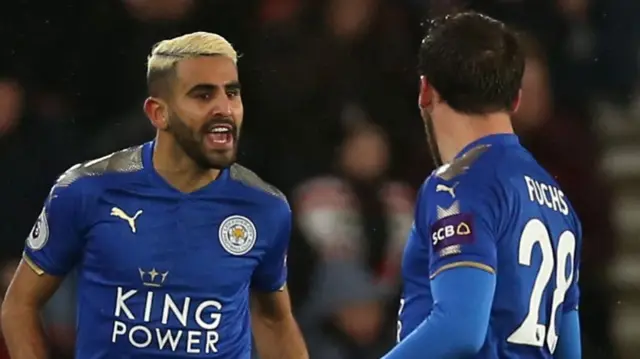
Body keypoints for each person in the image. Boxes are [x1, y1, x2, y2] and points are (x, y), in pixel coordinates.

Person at [0, 32, 308, 359]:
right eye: (203, 96)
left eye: (232, 93)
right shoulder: (86, 190)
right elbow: (20, 305)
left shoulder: (264, 207)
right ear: (158, 113)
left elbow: (274, 320)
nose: (225, 109)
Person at [382, 12, 582, 358]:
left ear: (425, 90)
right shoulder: (559, 203)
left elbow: (459, 329)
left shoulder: (458, 185)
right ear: (515, 100)